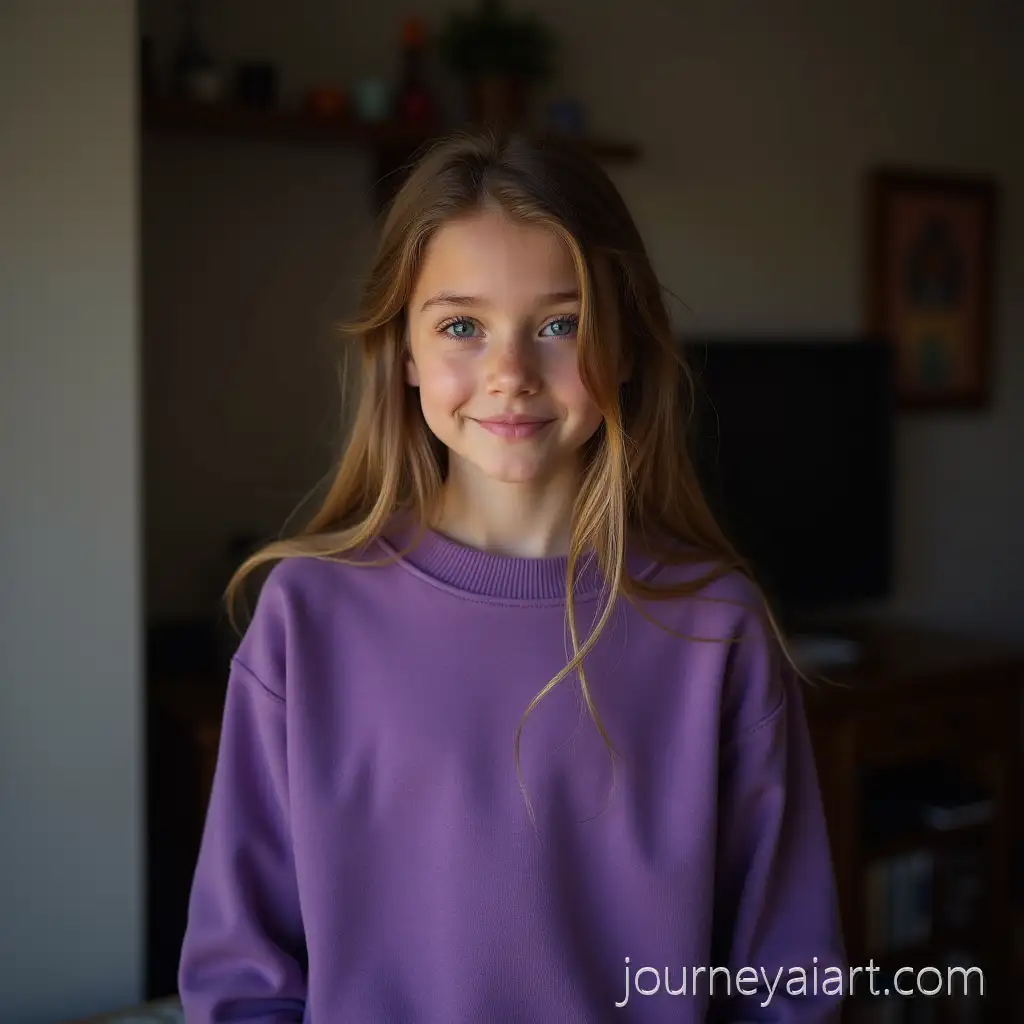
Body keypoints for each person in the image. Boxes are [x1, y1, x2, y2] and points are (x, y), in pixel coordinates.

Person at [178, 129, 847, 1022]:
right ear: (405, 353)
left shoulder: (713, 629)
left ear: (629, 346)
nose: (511, 375)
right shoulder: (309, 616)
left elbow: (788, 982)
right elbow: (240, 977)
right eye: (462, 325)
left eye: (561, 326)